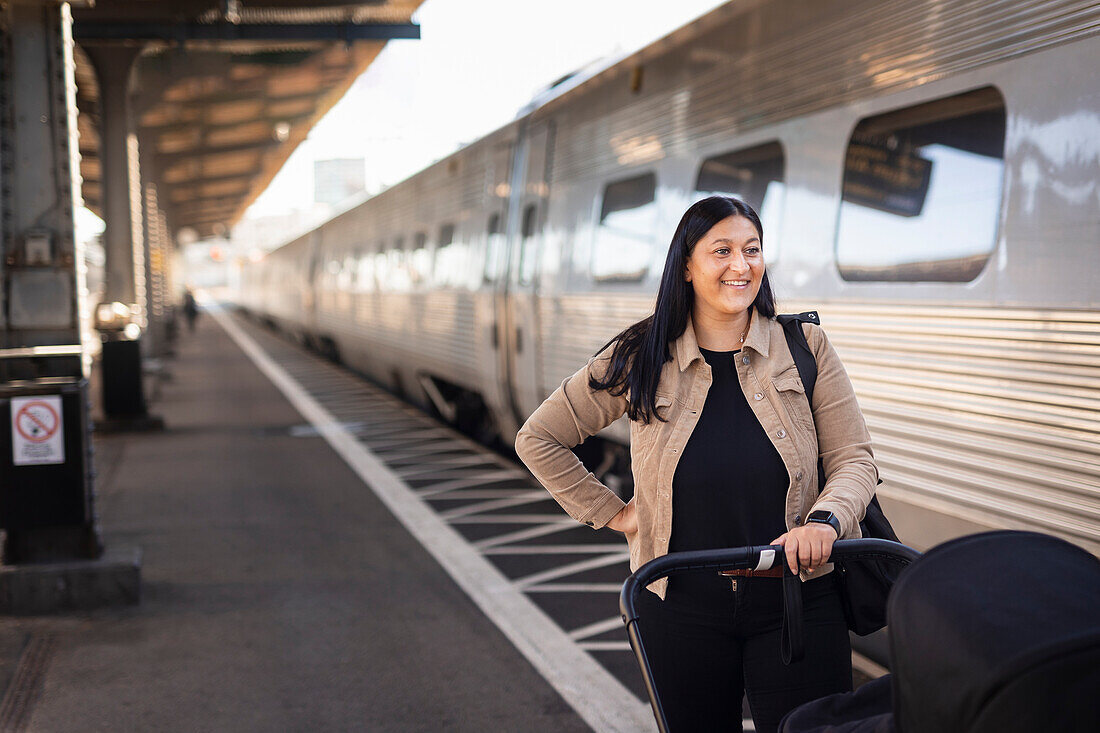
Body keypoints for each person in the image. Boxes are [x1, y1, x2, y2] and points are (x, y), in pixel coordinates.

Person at [515, 196, 878, 732]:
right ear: (686, 265)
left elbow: (855, 460)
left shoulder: (806, 347)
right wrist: (614, 514)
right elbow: (540, 437)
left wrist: (826, 522)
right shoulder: (643, 354)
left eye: (752, 250)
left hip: (798, 598)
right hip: (679, 603)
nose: (742, 265)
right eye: (722, 251)